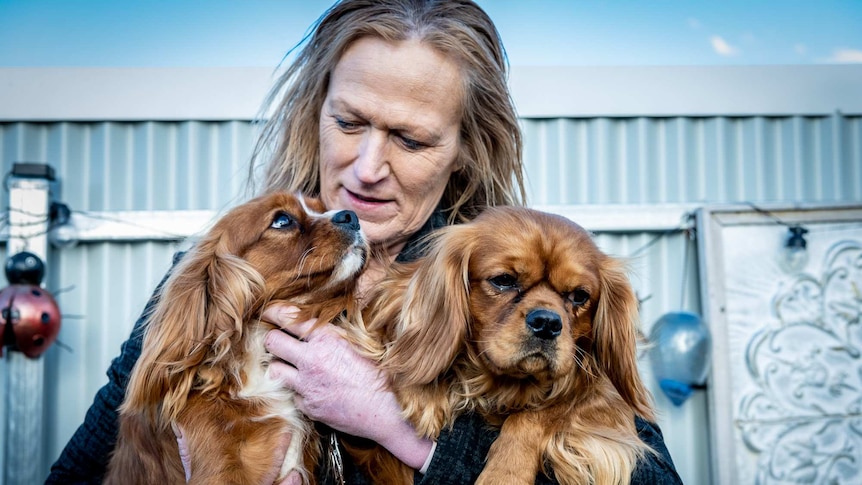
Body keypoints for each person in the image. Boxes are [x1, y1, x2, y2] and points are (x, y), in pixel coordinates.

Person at [47, 1, 682, 484]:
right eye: (349, 122)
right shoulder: (235, 265)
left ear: (465, 151)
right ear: (315, 111)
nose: (367, 167)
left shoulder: (492, 275)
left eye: (411, 140)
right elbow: (89, 458)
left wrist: (402, 427)